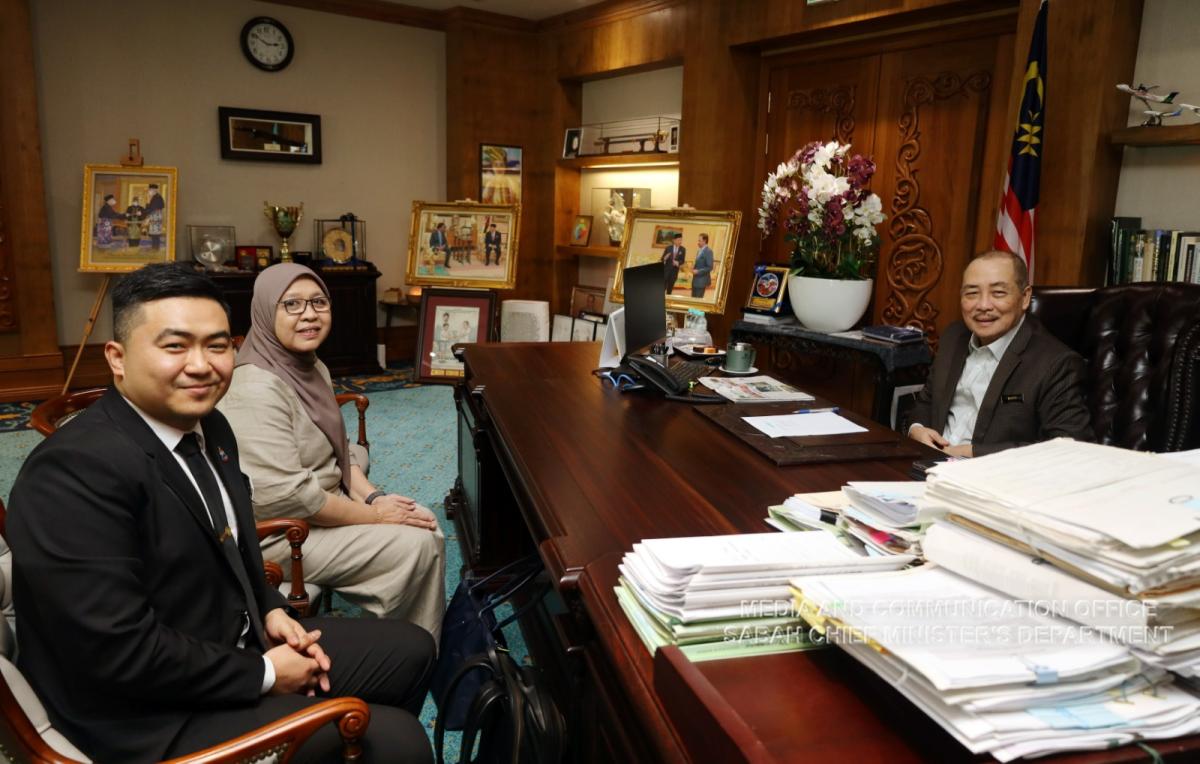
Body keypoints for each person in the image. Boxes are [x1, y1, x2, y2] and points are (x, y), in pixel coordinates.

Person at [7, 263, 435, 763]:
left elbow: (233, 543)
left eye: (216, 346)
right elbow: (116, 652)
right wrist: (267, 674)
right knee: (399, 739)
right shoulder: (72, 473)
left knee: (411, 651)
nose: (201, 365)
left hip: (227, 638)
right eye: (175, 346)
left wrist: (270, 607)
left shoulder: (210, 427)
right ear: (117, 358)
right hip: (147, 716)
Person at [218, 264, 445, 635]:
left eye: (318, 302)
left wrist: (375, 498)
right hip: (282, 535)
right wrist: (376, 516)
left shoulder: (310, 365)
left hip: (323, 505)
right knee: (418, 543)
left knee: (424, 520)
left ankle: (407, 638)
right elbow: (290, 497)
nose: (309, 314)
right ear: (264, 311)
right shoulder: (255, 388)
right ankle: (410, 649)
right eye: (292, 304)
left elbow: (337, 451)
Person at [906, 250, 1093, 457]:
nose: (983, 305)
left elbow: (1068, 447)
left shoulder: (1057, 363)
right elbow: (926, 402)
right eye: (972, 293)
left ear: (1025, 297)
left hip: (993, 473)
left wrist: (974, 453)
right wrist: (917, 429)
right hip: (927, 462)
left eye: (998, 293)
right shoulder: (953, 337)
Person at [690, 233, 714, 298]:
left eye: (699, 240)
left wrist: (698, 271)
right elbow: (699, 264)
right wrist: (693, 267)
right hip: (695, 280)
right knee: (693, 300)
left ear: (704, 241)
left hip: (701, 281)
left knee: (697, 300)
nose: (698, 242)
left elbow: (710, 267)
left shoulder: (709, 251)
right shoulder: (699, 251)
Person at [145, 183, 165, 250]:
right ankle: (155, 248)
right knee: (155, 234)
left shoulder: (157, 198)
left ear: (154, 190)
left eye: (149, 190)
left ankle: (155, 248)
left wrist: (148, 218)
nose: (148, 192)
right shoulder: (156, 197)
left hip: (155, 217)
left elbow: (151, 209)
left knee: (155, 234)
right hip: (155, 216)